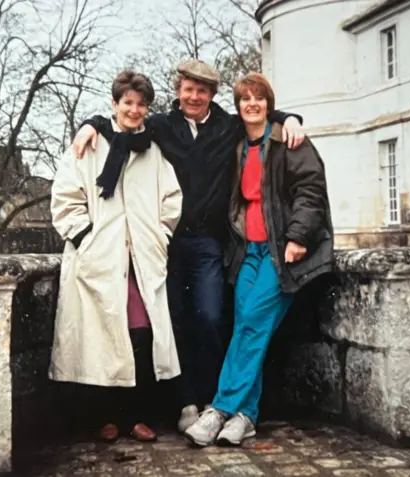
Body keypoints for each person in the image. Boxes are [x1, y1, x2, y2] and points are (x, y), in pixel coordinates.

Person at [71, 60, 305, 433]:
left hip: (209, 241)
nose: (194, 97)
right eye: (188, 90)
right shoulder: (163, 126)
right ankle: (185, 403)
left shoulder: (227, 127)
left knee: (211, 317)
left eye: (202, 91)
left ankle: (214, 399)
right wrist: (91, 123)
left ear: (212, 95)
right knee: (173, 321)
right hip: (165, 244)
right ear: (179, 91)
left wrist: (290, 118)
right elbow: (124, 123)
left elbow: (257, 109)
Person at [184, 72, 334, 447]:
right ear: (238, 107)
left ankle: (219, 409)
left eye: (259, 98)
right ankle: (247, 416)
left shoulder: (289, 140)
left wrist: (298, 236)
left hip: (281, 252)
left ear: (269, 103)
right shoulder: (237, 141)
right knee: (247, 328)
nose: (252, 104)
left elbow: (311, 191)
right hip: (245, 250)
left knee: (253, 324)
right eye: (245, 99)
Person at [49, 70, 183, 442]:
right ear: (115, 104)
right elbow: (64, 197)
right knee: (102, 338)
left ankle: (138, 416)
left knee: (140, 333)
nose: (135, 110)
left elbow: (171, 198)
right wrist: (86, 237)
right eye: (128, 103)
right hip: (99, 259)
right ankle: (105, 418)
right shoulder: (89, 145)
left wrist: (160, 234)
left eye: (141, 105)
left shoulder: (153, 151)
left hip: (141, 258)